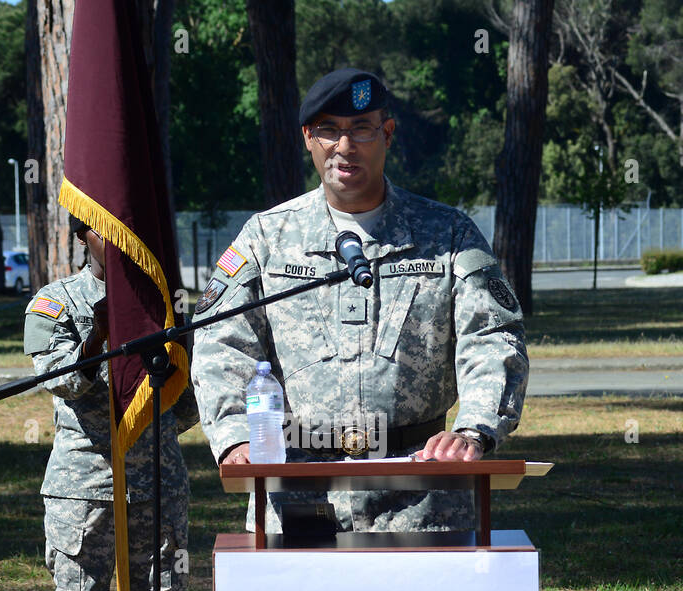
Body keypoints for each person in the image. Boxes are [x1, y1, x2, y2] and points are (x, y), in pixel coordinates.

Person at [190, 68, 528, 533]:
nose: (344, 147)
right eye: (329, 130)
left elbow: (492, 336)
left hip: (421, 494)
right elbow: (221, 343)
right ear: (308, 137)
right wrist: (233, 438)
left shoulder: (447, 233)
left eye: (361, 130)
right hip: (296, 488)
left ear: (387, 134)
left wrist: (472, 430)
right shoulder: (268, 237)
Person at [24, 216, 198, 591]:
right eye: (104, 231)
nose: (118, 244)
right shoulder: (56, 303)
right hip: (85, 490)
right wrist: (97, 337)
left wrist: (156, 434)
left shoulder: (165, 309)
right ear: (82, 236)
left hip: (157, 486)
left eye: (126, 231)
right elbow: (63, 383)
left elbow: (188, 397)